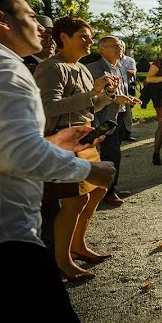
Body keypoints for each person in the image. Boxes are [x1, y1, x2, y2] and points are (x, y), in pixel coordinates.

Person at [0, 0, 116, 323]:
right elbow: (16, 152)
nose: (40, 25)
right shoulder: (0, 64)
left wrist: (49, 143)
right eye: (30, 15)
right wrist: (88, 170)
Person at [35, 16, 119, 280]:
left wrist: (105, 95)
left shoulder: (82, 68)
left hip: (86, 138)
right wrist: (92, 93)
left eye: (90, 37)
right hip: (63, 142)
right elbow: (49, 108)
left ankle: (78, 245)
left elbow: (90, 107)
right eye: (83, 36)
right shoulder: (52, 67)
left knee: (94, 194)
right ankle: (63, 262)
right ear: (64, 38)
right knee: (75, 200)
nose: (90, 41)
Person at [87, 36, 140, 206]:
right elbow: (91, 97)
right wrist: (115, 98)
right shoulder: (93, 69)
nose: (120, 49)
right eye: (115, 46)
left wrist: (128, 99)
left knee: (115, 154)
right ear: (102, 49)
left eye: (120, 46)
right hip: (103, 119)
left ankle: (112, 188)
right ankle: (104, 192)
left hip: (120, 116)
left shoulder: (120, 67)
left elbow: (120, 91)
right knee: (107, 155)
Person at [117, 41, 137, 141]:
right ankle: (118, 132)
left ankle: (127, 133)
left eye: (121, 47)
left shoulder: (129, 60)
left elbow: (132, 73)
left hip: (127, 87)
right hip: (116, 88)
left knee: (128, 111)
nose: (120, 49)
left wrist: (118, 71)